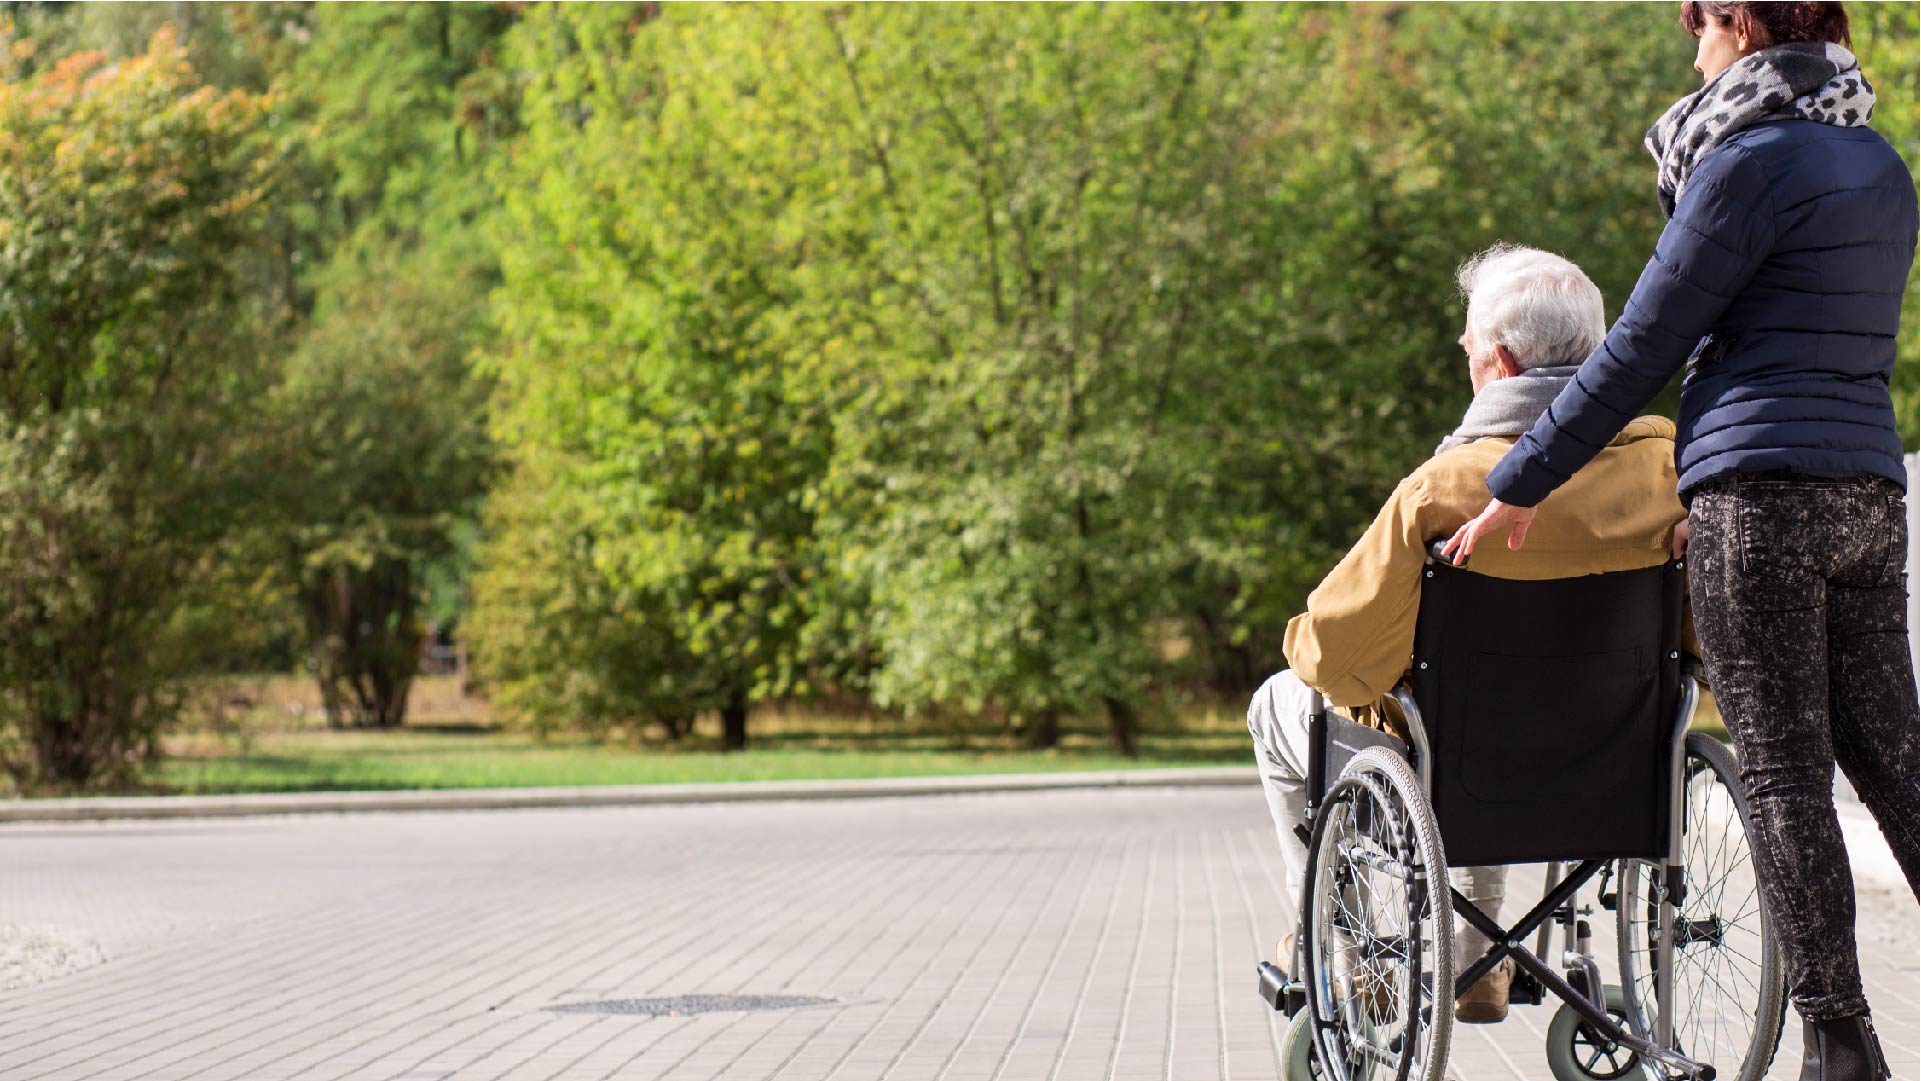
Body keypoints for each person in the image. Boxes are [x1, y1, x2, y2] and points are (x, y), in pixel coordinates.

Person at [1442, 4, 1918, 1078]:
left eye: (1698, 23)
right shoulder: (1881, 164)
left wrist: (1519, 481)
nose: (1690, 47)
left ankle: (1840, 1045)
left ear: (1739, 26)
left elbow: (1638, 346)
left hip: (1757, 500)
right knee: (1899, 765)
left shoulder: (1743, 162)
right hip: (1866, 492)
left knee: (1786, 773)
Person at [1248, 244, 1688, 1024]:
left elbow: (1335, 654)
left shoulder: (1447, 488)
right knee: (1477, 709)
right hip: (1615, 762)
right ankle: (1476, 959)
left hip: (1464, 761)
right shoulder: (1672, 470)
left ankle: (1341, 950)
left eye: (1466, 349)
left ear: (1501, 360)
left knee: (1283, 700)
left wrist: (1305, 642)